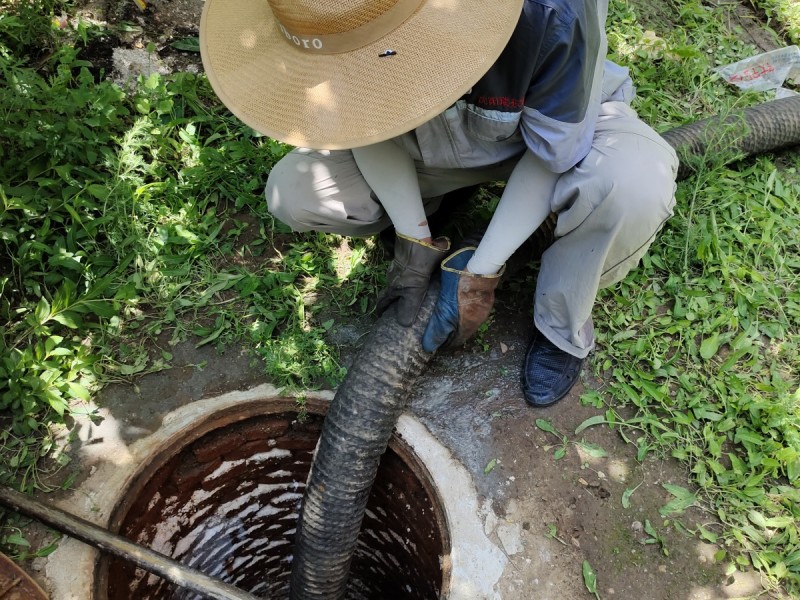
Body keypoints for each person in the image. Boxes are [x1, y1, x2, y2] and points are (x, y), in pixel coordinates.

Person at [199, 0, 679, 407]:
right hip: (436, 139)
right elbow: (360, 122)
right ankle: (443, 200)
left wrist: (480, 272)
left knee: (632, 183)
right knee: (296, 191)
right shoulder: (334, 17)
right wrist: (414, 238)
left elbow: (551, 155)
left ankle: (560, 327)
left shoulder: (552, 9)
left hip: (555, 135)